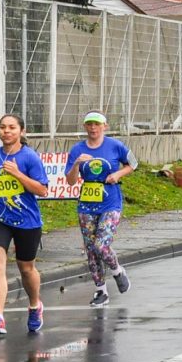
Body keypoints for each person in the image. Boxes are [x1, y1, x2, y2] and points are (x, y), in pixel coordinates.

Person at [0, 114, 49, 335]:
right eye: (2, 127)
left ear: (22, 131)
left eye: (11, 127)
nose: (6, 131)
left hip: (27, 220)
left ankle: (35, 305)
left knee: (26, 268)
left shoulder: (29, 157)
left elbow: (42, 190)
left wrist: (18, 174)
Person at [65, 111, 137, 307]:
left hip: (110, 203)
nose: (93, 128)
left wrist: (118, 174)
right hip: (87, 204)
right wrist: (77, 164)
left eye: (97, 124)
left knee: (101, 245)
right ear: (85, 126)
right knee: (91, 250)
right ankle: (101, 291)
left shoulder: (114, 146)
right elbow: (70, 181)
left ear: (105, 126)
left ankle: (117, 271)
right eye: (89, 124)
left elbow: (133, 163)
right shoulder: (77, 149)